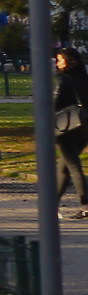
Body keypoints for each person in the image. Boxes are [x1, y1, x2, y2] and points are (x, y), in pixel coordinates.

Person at [55, 48, 88, 218]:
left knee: (73, 167)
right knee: (64, 168)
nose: (57, 63)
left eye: (60, 60)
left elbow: (56, 104)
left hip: (66, 127)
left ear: (68, 61)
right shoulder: (84, 78)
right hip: (84, 127)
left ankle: (85, 204)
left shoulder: (64, 81)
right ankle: (52, 206)